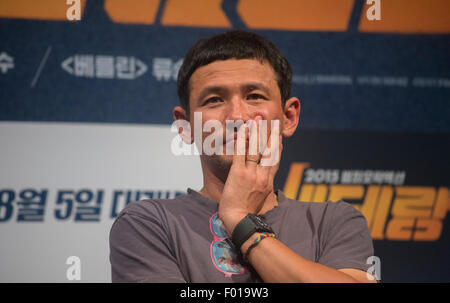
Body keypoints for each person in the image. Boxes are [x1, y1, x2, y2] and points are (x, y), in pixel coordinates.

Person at [109, 30, 376, 283]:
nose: (237, 117)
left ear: (289, 117)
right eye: (214, 100)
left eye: (255, 96)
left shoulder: (334, 221)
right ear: (185, 126)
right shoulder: (148, 224)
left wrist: (240, 219)